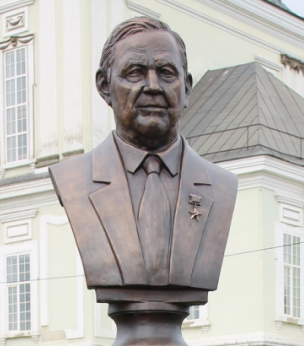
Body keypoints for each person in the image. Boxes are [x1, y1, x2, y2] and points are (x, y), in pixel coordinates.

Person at [50, 17, 237, 301]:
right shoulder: (74, 180)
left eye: (166, 73)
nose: (153, 86)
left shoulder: (222, 186)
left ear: (187, 88)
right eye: (135, 73)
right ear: (104, 86)